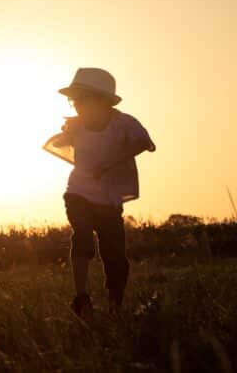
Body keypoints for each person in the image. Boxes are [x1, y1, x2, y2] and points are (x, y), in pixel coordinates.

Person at [51, 67, 155, 318]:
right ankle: (81, 297)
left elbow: (146, 143)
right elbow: (62, 144)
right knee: (83, 237)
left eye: (80, 97)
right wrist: (68, 132)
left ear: (101, 99)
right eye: (72, 99)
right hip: (78, 193)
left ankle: (114, 308)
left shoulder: (123, 123)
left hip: (109, 199)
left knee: (115, 256)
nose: (75, 104)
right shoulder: (77, 125)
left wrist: (110, 162)